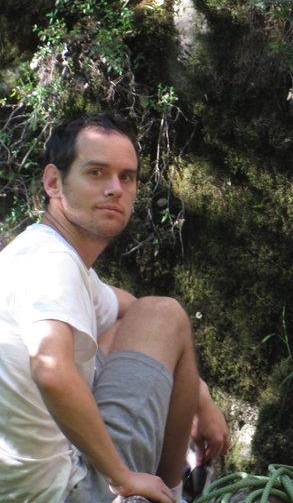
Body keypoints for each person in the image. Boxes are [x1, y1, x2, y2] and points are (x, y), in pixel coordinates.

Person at [0, 113, 230, 503]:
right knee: (167, 312)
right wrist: (122, 477)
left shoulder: (41, 253)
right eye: (96, 173)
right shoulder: (51, 264)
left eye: (126, 177)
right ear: (54, 182)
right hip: (66, 493)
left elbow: (131, 311)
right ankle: (167, 494)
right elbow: (51, 368)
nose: (115, 189)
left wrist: (198, 394)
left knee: (123, 326)